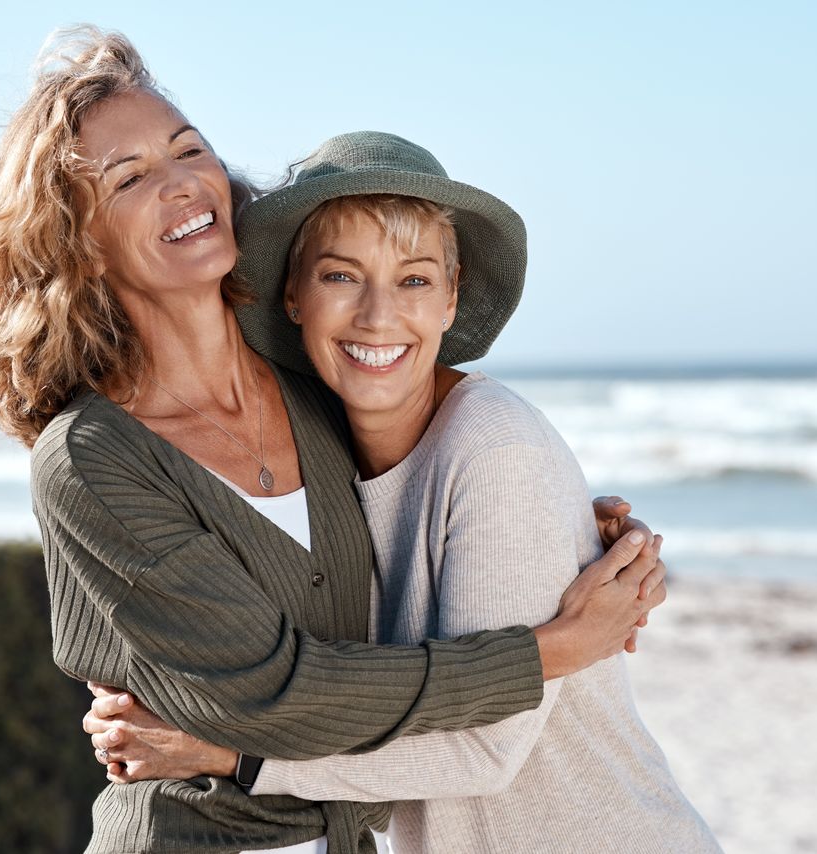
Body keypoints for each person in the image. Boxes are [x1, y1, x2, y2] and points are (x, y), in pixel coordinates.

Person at [0, 26, 665, 854]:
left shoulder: (316, 395)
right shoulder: (91, 459)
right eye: (131, 177)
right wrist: (545, 652)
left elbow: (428, 491)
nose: (181, 185)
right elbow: (274, 693)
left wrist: (574, 529)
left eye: (189, 151)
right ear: (76, 240)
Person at [82, 133, 720, 852]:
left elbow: (482, 751)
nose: (378, 316)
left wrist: (232, 756)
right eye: (341, 277)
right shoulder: (318, 454)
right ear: (294, 296)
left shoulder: (494, 449)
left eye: (414, 280)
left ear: (452, 299)